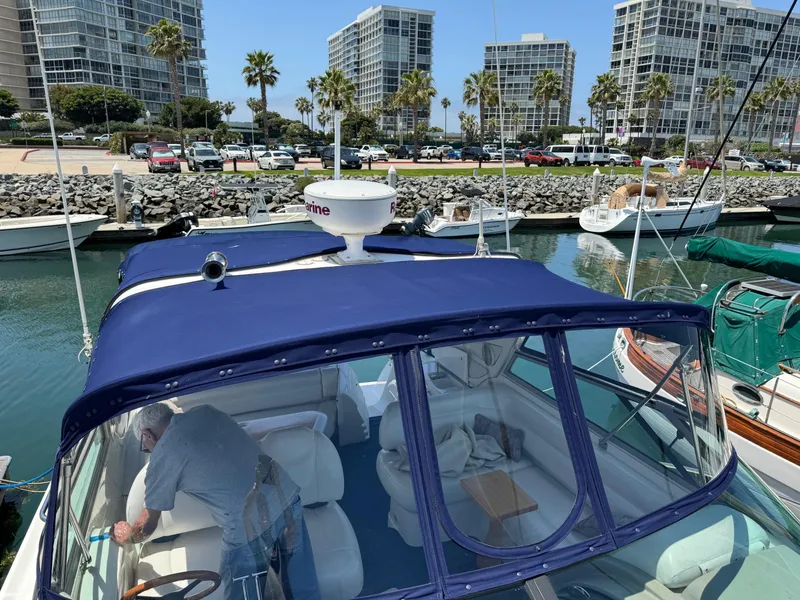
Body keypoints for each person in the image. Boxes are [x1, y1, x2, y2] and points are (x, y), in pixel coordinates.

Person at [111, 402, 320, 600]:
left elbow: (147, 525)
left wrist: (126, 536)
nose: (149, 451)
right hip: (286, 494)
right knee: (303, 585)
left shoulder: (163, 455)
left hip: (248, 527)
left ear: (147, 434)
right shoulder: (206, 411)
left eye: (145, 447)